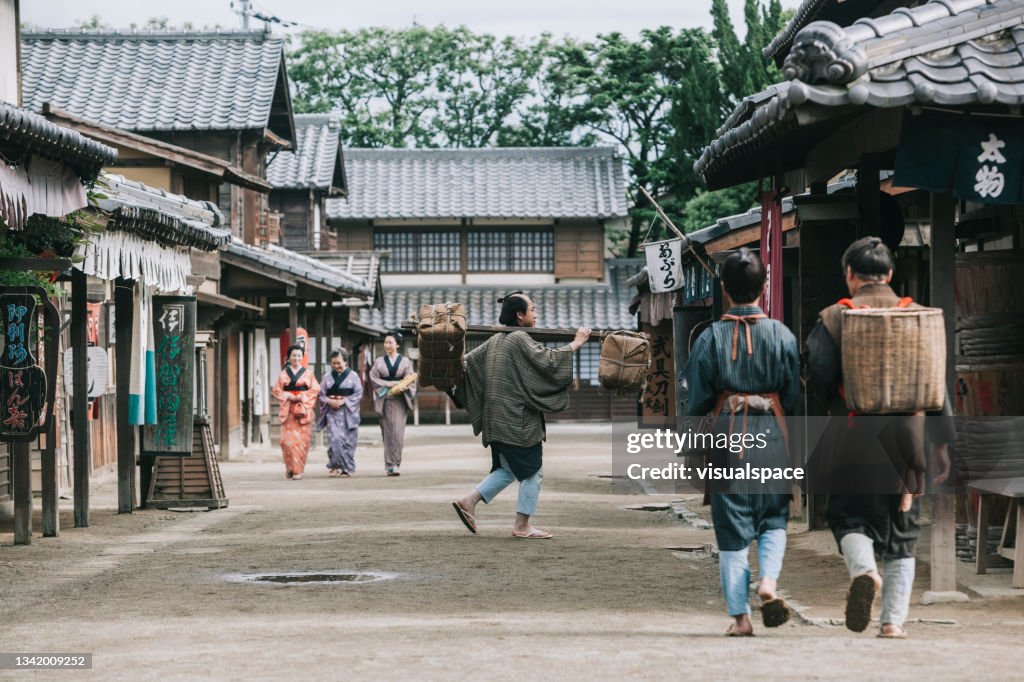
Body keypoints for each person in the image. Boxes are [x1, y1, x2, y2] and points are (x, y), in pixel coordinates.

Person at [804, 236, 953, 638]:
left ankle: (865, 571)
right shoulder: (919, 316)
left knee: (847, 516)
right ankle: (892, 624)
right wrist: (940, 444)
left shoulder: (836, 317)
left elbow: (817, 373)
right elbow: (936, 384)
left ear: (850, 275)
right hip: (910, 439)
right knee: (903, 530)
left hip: (853, 436)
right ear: (889, 275)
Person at [683, 249, 801, 636]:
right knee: (773, 520)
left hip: (727, 435)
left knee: (731, 531)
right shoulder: (782, 334)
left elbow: (698, 399)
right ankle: (769, 581)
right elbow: (794, 398)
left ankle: (741, 618)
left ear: (723, 290)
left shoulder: (710, 338)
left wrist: (691, 445)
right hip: (772, 432)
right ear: (765, 287)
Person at [450, 292, 591, 539]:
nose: (535, 314)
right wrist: (576, 343)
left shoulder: (496, 340)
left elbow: (466, 363)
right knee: (532, 470)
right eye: (532, 310)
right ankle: (522, 525)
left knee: (509, 469)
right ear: (519, 314)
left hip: (496, 418)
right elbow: (547, 361)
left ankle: (468, 501)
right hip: (515, 419)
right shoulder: (518, 338)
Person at [369, 332, 416, 476]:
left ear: (397, 344)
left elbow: (411, 379)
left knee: (398, 432)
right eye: (385, 342)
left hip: (400, 400)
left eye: (390, 342)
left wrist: (404, 386)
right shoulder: (379, 361)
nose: (387, 345)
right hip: (385, 398)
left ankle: (395, 463)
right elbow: (373, 378)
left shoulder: (405, 362)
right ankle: (390, 464)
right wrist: (388, 384)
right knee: (388, 433)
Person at [272, 344, 320, 480]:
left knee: (301, 442)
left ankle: (297, 470)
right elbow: (276, 391)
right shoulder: (283, 374)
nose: (296, 358)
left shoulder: (308, 374)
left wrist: (302, 396)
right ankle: (290, 467)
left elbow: (315, 389)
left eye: (299, 355)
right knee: (286, 442)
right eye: (294, 355)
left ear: (302, 356)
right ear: (289, 357)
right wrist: (288, 396)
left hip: (302, 411)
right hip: (288, 411)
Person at [317, 347, 362, 477]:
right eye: (333, 363)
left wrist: (345, 401)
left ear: (345, 361)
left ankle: (347, 467)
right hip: (333, 413)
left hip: (349, 412)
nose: (336, 365)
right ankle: (335, 465)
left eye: (339, 363)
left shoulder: (353, 376)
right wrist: (328, 401)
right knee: (335, 439)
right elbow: (320, 394)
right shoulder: (327, 377)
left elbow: (358, 393)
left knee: (349, 441)